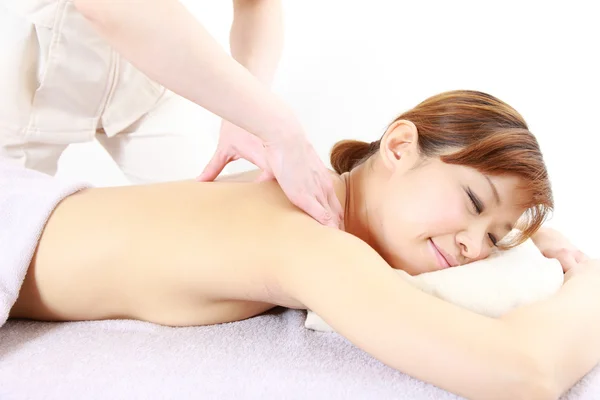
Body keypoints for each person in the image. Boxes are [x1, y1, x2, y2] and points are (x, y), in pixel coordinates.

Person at [8, 90, 598, 399]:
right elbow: (527, 375)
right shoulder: (307, 244)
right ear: (398, 147)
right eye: (473, 204)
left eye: (493, 239)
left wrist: (529, 234)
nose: (475, 247)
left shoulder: (301, 189)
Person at [0, 0, 343, 228]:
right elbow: (110, 7)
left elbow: (257, 4)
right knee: (13, 247)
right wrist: (279, 126)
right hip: (22, 80)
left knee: (227, 225)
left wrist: (246, 116)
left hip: (142, 81)